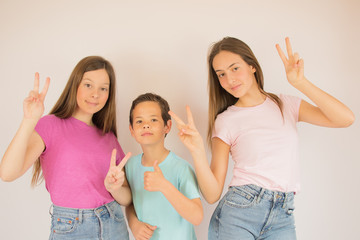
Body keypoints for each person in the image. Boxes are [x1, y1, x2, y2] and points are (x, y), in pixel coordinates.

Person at [169, 37, 355, 240]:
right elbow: (212, 194)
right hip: (239, 213)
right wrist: (196, 151)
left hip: (283, 215)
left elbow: (345, 119)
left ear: (252, 66)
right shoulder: (225, 120)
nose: (229, 79)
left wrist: (300, 82)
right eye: (221, 74)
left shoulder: (286, 105)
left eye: (234, 68)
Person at [0, 56, 131, 240]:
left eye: (103, 88)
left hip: (114, 223)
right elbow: (7, 173)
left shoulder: (108, 136)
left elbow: (126, 198)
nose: (95, 94)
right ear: (74, 85)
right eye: (88, 85)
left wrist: (114, 188)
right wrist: (29, 120)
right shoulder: (50, 125)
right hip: (72, 228)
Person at [125, 93, 203, 240]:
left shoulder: (181, 168)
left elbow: (197, 217)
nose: (146, 125)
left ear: (167, 126)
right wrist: (133, 224)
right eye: (139, 121)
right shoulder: (130, 166)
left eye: (153, 120)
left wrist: (164, 186)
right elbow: (129, 203)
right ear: (132, 130)